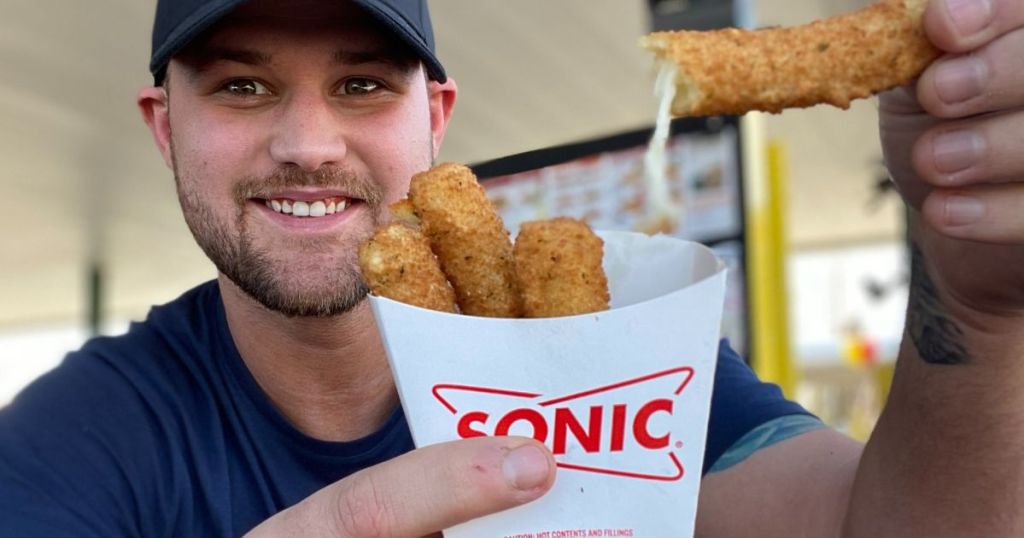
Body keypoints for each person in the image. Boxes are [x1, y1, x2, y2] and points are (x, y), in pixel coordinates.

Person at [2, 0, 1022, 535]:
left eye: (361, 82)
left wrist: (976, 313)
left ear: (434, 122)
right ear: (164, 126)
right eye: (241, 84)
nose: (308, 142)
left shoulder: (613, 357)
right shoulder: (71, 446)